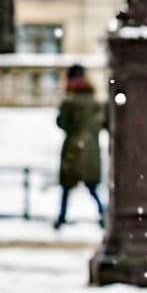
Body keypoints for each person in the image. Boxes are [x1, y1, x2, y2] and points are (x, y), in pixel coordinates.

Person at [53, 62, 107, 229]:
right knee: (92, 187)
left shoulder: (69, 101)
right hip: (90, 150)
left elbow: (61, 123)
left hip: (72, 150)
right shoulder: (95, 102)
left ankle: (62, 217)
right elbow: (104, 123)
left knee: (67, 188)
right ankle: (103, 214)